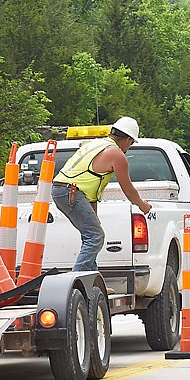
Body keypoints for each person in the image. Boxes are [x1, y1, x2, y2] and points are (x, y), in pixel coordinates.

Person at [51, 116, 153, 272]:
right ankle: (75, 280)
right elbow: (128, 189)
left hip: (63, 190)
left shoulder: (95, 144)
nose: (129, 147)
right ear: (127, 139)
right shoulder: (116, 155)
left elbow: (88, 182)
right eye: (131, 143)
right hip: (70, 191)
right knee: (95, 237)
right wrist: (142, 204)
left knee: (91, 236)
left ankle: (92, 281)